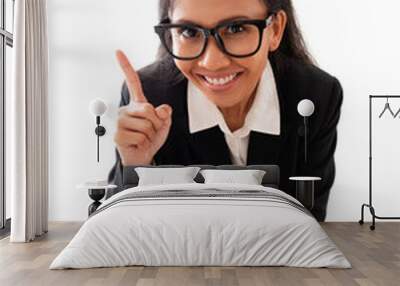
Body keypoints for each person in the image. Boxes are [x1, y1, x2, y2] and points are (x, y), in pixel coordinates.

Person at [108, 0, 343, 222]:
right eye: (189, 32)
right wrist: (136, 164)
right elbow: (117, 229)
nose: (212, 62)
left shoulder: (316, 95)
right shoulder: (149, 99)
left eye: (236, 28)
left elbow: (310, 218)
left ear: (275, 30)